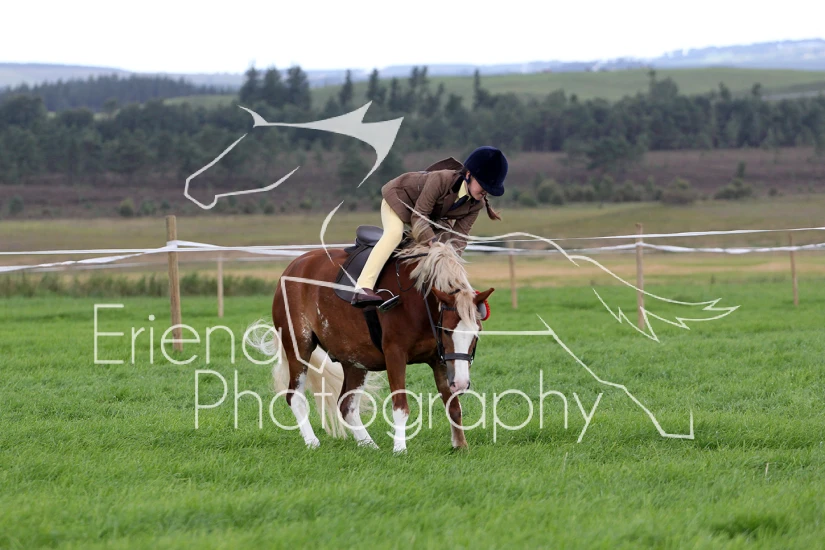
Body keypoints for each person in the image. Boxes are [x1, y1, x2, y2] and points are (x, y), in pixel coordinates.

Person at [351, 145, 507, 308]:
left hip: (431, 216)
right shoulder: (441, 179)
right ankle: (363, 287)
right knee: (394, 234)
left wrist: (452, 265)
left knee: (446, 247)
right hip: (400, 200)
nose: (486, 191)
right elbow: (419, 216)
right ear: (468, 175)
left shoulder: (476, 204)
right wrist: (433, 243)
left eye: (490, 189)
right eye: (484, 185)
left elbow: (459, 239)